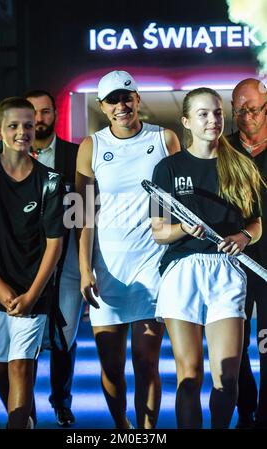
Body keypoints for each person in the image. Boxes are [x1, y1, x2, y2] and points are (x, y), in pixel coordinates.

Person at [151, 87, 264, 429]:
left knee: (226, 377)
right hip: (182, 272)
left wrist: (244, 237)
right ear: (186, 121)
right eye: (203, 114)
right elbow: (159, 232)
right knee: (189, 375)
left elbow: (256, 223)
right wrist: (184, 228)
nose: (212, 120)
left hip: (227, 273)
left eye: (217, 113)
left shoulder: (242, 166)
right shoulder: (167, 168)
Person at [76, 70, 180, 429]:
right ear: (103, 107)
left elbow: (177, 203)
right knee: (111, 367)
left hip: (153, 265)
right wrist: (85, 268)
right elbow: (83, 212)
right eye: (112, 100)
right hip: (107, 270)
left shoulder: (165, 139)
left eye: (126, 97)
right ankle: (122, 428)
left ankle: (148, 434)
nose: (121, 105)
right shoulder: (92, 146)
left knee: (147, 362)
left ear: (137, 99)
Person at [0, 97, 64, 429]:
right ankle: (27, 421)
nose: (22, 131)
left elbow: (55, 244)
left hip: (33, 294)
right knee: (2, 369)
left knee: (22, 367)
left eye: (28, 124)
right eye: (14, 125)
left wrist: (33, 294)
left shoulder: (51, 181)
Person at [25, 89, 82, 427]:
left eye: (45, 112)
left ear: (55, 114)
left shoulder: (77, 156)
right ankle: (24, 405)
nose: (40, 119)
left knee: (65, 335)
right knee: (27, 337)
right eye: (33, 112)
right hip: (25, 262)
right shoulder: (7, 159)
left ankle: (61, 401)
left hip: (70, 260)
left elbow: (86, 213)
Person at [228, 78, 267, 429]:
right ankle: (246, 408)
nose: (247, 116)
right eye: (240, 110)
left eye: (253, 109)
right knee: (236, 347)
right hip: (234, 263)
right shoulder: (223, 149)